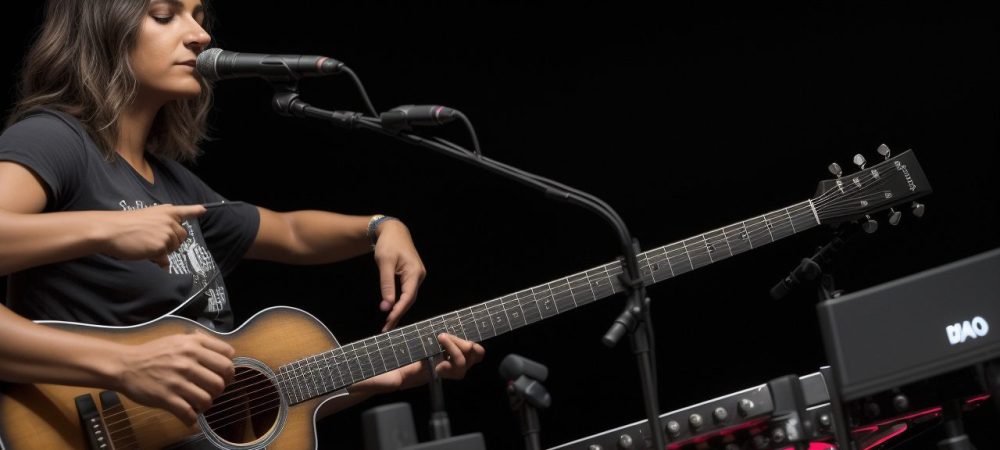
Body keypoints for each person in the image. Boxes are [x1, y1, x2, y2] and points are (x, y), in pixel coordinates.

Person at [0, 0, 485, 432]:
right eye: (165, 15)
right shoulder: (54, 140)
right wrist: (121, 361)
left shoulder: (173, 184)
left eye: (200, 16)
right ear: (102, 29)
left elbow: (290, 232)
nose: (201, 35)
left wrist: (381, 227)